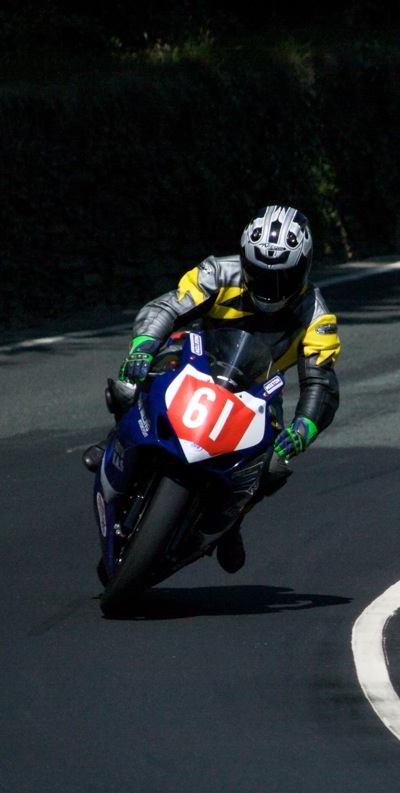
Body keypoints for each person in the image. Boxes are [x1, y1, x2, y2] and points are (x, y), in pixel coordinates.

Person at [83, 205, 340, 572]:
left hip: (258, 389)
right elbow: (166, 308)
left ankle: (233, 518)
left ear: (305, 267)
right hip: (193, 358)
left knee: (275, 466)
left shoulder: (316, 314)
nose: (271, 288)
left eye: (283, 277)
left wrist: (304, 428)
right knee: (128, 386)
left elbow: (321, 384)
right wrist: (142, 346)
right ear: (244, 260)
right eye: (260, 274)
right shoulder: (218, 272)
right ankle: (116, 441)